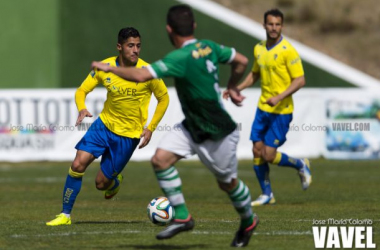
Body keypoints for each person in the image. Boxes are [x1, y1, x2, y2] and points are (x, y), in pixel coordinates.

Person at [92, 4, 258, 248]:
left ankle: (248, 221)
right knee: (160, 159)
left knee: (227, 183)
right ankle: (182, 216)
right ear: (194, 26)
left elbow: (140, 75)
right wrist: (232, 86)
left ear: (170, 30)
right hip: (192, 126)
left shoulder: (178, 58)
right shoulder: (209, 47)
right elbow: (241, 61)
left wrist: (108, 68)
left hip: (216, 130)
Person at [46, 27, 169, 226]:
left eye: (138, 46)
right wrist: (82, 108)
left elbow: (163, 98)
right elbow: (82, 90)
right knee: (77, 164)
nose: (135, 50)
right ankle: (65, 215)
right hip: (103, 125)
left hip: (128, 136)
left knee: (101, 184)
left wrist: (151, 127)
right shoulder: (105, 67)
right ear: (119, 47)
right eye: (130, 46)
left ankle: (115, 181)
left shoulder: (148, 72)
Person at [223, 9, 312, 207]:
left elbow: (300, 80)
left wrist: (279, 97)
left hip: (282, 111)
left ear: (282, 26)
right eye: (270, 24)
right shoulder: (259, 49)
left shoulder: (288, 50)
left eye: (277, 24)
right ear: (264, 25)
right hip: (263, 108)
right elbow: (255, 74)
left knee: (268, 155)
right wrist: (236, 88)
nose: (274, 28)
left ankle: (300, 164)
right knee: (257, 151)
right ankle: (267, 194)